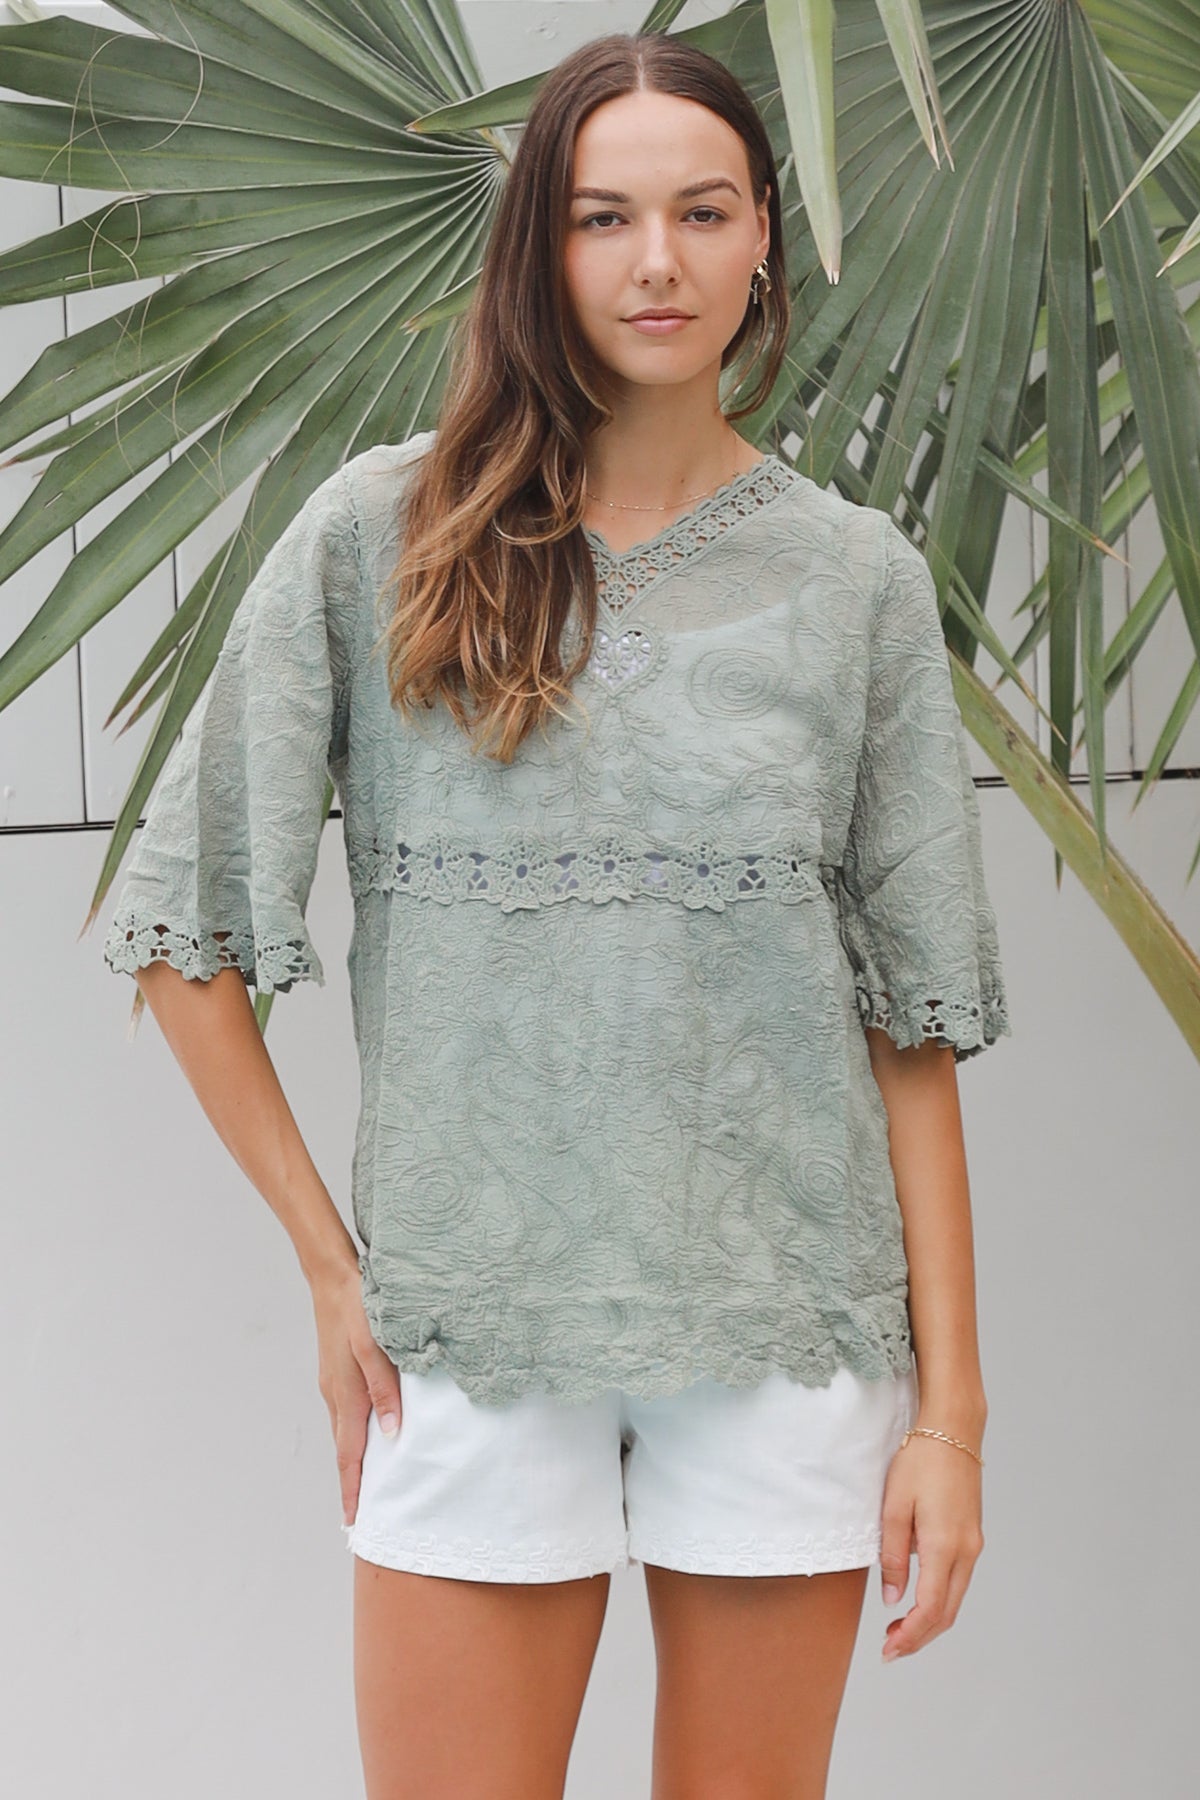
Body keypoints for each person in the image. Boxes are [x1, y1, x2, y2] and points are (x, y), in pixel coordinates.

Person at [101, 29, 1011, 1800]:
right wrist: (330, 1267)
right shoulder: (382, 536)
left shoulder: (859, 584)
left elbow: (915, 1035)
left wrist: (953, 1420)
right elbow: (185, 936)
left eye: (703, 212)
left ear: (766, 240)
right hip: (469, 1328)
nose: (657, 261)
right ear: (543, 242)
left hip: (785, 1329)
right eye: (605, 217)